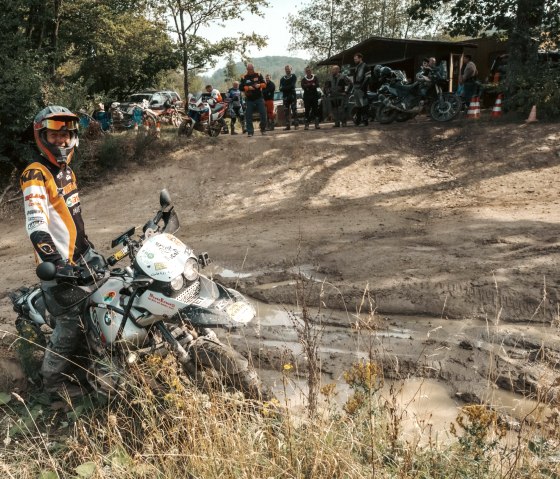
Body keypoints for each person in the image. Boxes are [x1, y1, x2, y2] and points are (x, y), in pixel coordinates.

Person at [20, 106, 104, 399]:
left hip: (83, 256)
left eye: (66, 135)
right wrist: (55, 262)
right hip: (58, 267)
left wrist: (89, 247)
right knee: (71, 322)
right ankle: (52, 384)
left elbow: (72, 217)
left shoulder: (67, 171)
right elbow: (36, 225)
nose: (62, 141)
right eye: (55, 135)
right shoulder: (35, 173)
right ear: (42, 137)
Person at [239, 63, 267, 137]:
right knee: (248, 115)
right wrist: (248, 88)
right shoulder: (244, 77)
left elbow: (265, 84)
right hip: (249, 99)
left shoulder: (258, 74)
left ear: (253, 68)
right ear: (247, 69)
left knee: (263, 114)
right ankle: (250, 132)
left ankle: (263, 129)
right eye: (249, 69)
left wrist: (259, 85)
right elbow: (240, 87)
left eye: (252, 69)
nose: (251, 70)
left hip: (259, 98)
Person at [300, 66, 321, 130]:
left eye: (309, 70)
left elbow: (317, 85)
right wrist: (312, 85)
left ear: (311, 71)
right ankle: (306, 125)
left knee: (315, 110)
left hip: (314, 95)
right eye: (307, 71)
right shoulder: (303, 79)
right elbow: (303, 86)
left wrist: (308, 85)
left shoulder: (315, 77)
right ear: (305, 72)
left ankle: (317, 124)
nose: (308, 72)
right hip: (307, 96)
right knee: (307, 110)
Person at [279, 65, 299, 130]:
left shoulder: (293, 76)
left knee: (294, 110)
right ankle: (288, 126)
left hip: (292, 96)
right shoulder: (282, 79)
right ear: (285, 70)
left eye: (288, 69)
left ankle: (296, 125)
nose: (287, 70)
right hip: (285, 97)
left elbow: (292, 85)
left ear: (291, 69)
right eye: (286, 69)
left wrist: (284, 88)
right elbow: (280, 88)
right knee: (286, 111)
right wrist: (288, 87)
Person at [353, 53, 369, 126]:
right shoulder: (357, 67)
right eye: (354, 59)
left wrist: (362, 87)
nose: (355, 60)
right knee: (357, 105)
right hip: (356, 88)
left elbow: (368, 77)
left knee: (364, 105)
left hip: (362, 88)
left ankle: (365, 121)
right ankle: (358, 121)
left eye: (356, 59)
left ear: (360, 58)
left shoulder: (365, 66)